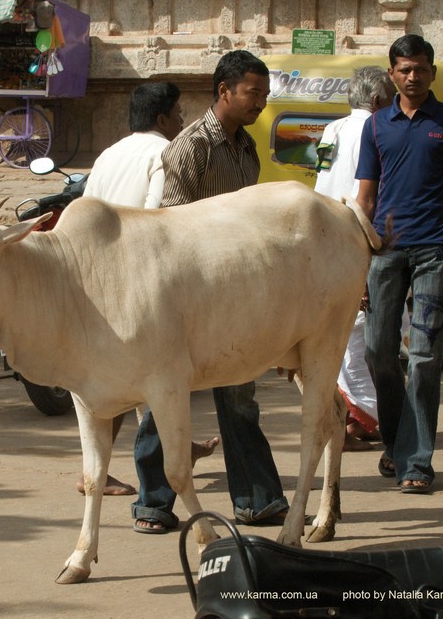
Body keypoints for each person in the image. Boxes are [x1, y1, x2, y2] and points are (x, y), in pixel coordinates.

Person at [130, 50, 289, 533]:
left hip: (236, 297)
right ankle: (154, 504)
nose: (260, 102)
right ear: (225, 91)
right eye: (253, 93)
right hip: (186, 300)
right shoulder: (188, 147)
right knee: (167, 396)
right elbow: (173, 231)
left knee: (239, 394)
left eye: (264, 94)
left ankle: (256, 499)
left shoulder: (247, 150)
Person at [79, 82, 218, 497]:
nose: (181, 122)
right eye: (178, 114)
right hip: (138, 282)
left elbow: (83, 210)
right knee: (140, 379)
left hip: (97, 279)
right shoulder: (165, 153)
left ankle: (176, 447)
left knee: (131, 381)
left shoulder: (108, 154)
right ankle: (109, 473)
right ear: (162, 119)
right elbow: (160, 217)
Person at [355, 34, 443, 495]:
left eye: (421, 68)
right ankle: (397, 443)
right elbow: (365, 197)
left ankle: (417, 461)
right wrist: (359, 260)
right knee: (377, 353)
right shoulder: (375, 127)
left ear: (432, 72)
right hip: (384, 251)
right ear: (392, 74)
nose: (413, 76)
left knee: (425, 356)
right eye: (404, 69)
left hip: (435, 248)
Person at [314, 65, 395, 452]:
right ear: (380, 100)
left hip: (325, 240)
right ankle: (361, 418)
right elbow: (370, 197)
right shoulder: (377, 129)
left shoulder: (331, 131)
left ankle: (354, 416)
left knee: (342, 338)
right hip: (359, 240)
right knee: (362, 337)